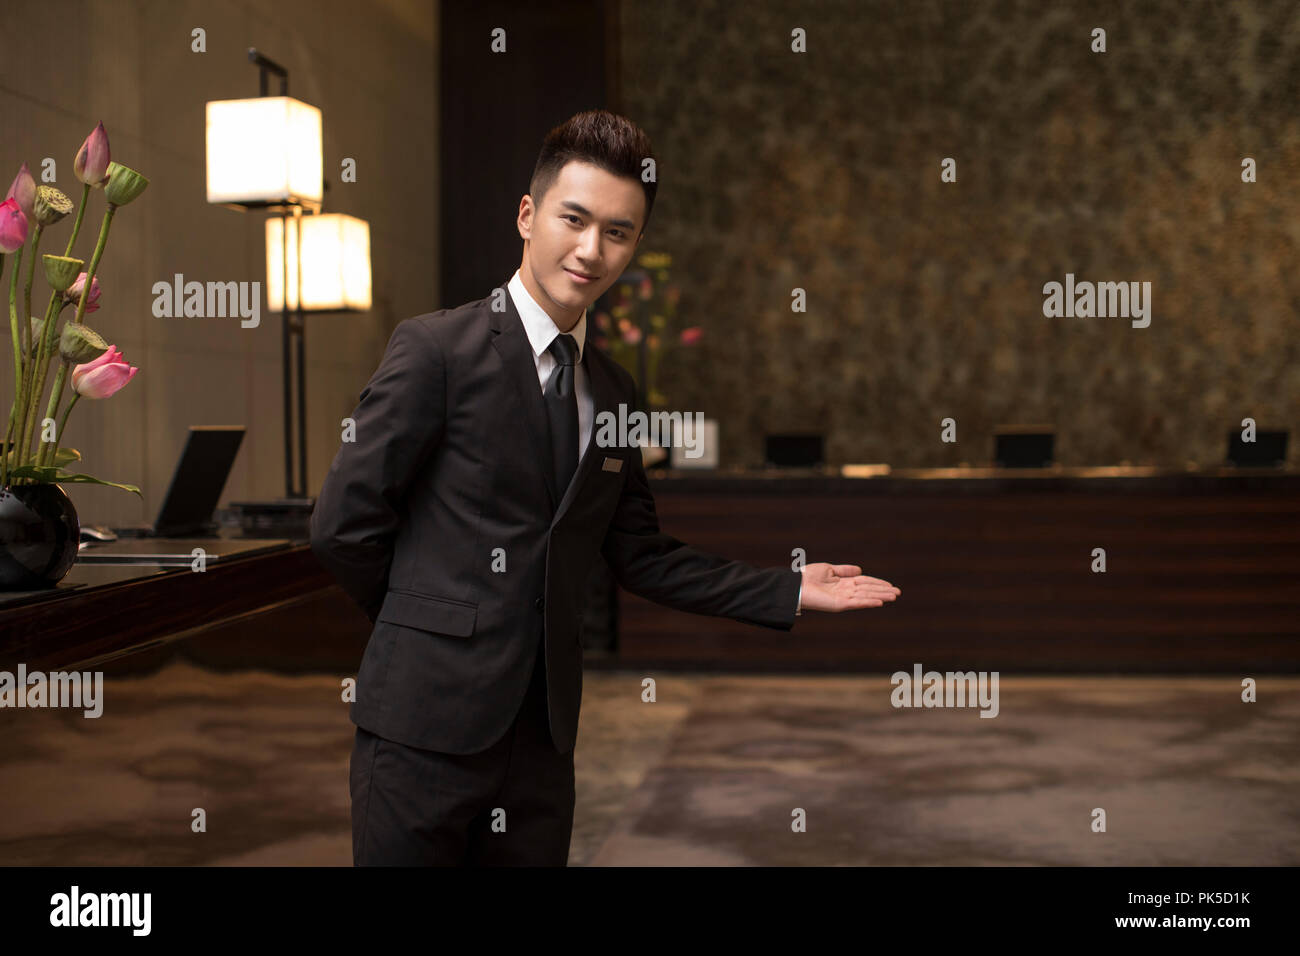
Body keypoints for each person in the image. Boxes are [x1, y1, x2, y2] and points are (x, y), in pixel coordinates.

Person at [309, 109, 901, 866]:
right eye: (574, 219)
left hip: (542, 741)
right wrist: (422, 624)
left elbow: (640, 553)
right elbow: (343, 524)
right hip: (420, 728)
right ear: (528, 216)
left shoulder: (614, 391)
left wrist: (785, 589)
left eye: (617, 232)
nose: (591, 250)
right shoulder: (435, 351)